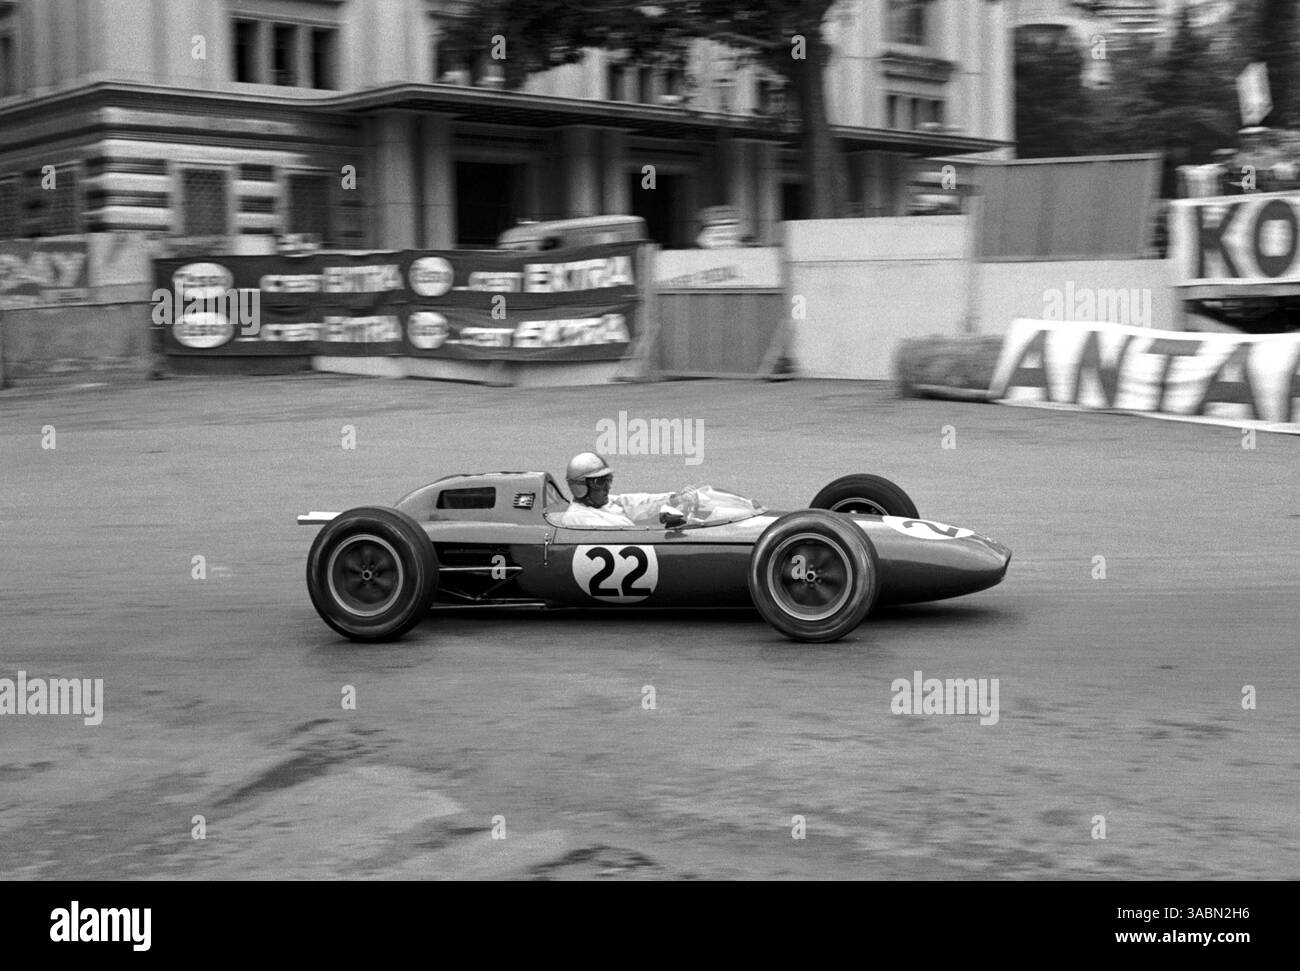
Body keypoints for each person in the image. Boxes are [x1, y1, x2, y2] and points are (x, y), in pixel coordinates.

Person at [557, 452, 687, 528]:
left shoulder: (605, 502)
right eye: (600, 482)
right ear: (581, 487)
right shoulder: (578, 518)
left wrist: (674, 498)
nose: (608, 487)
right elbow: (621, 534)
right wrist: (658, 521)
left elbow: (637, 503)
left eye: (608, 479)